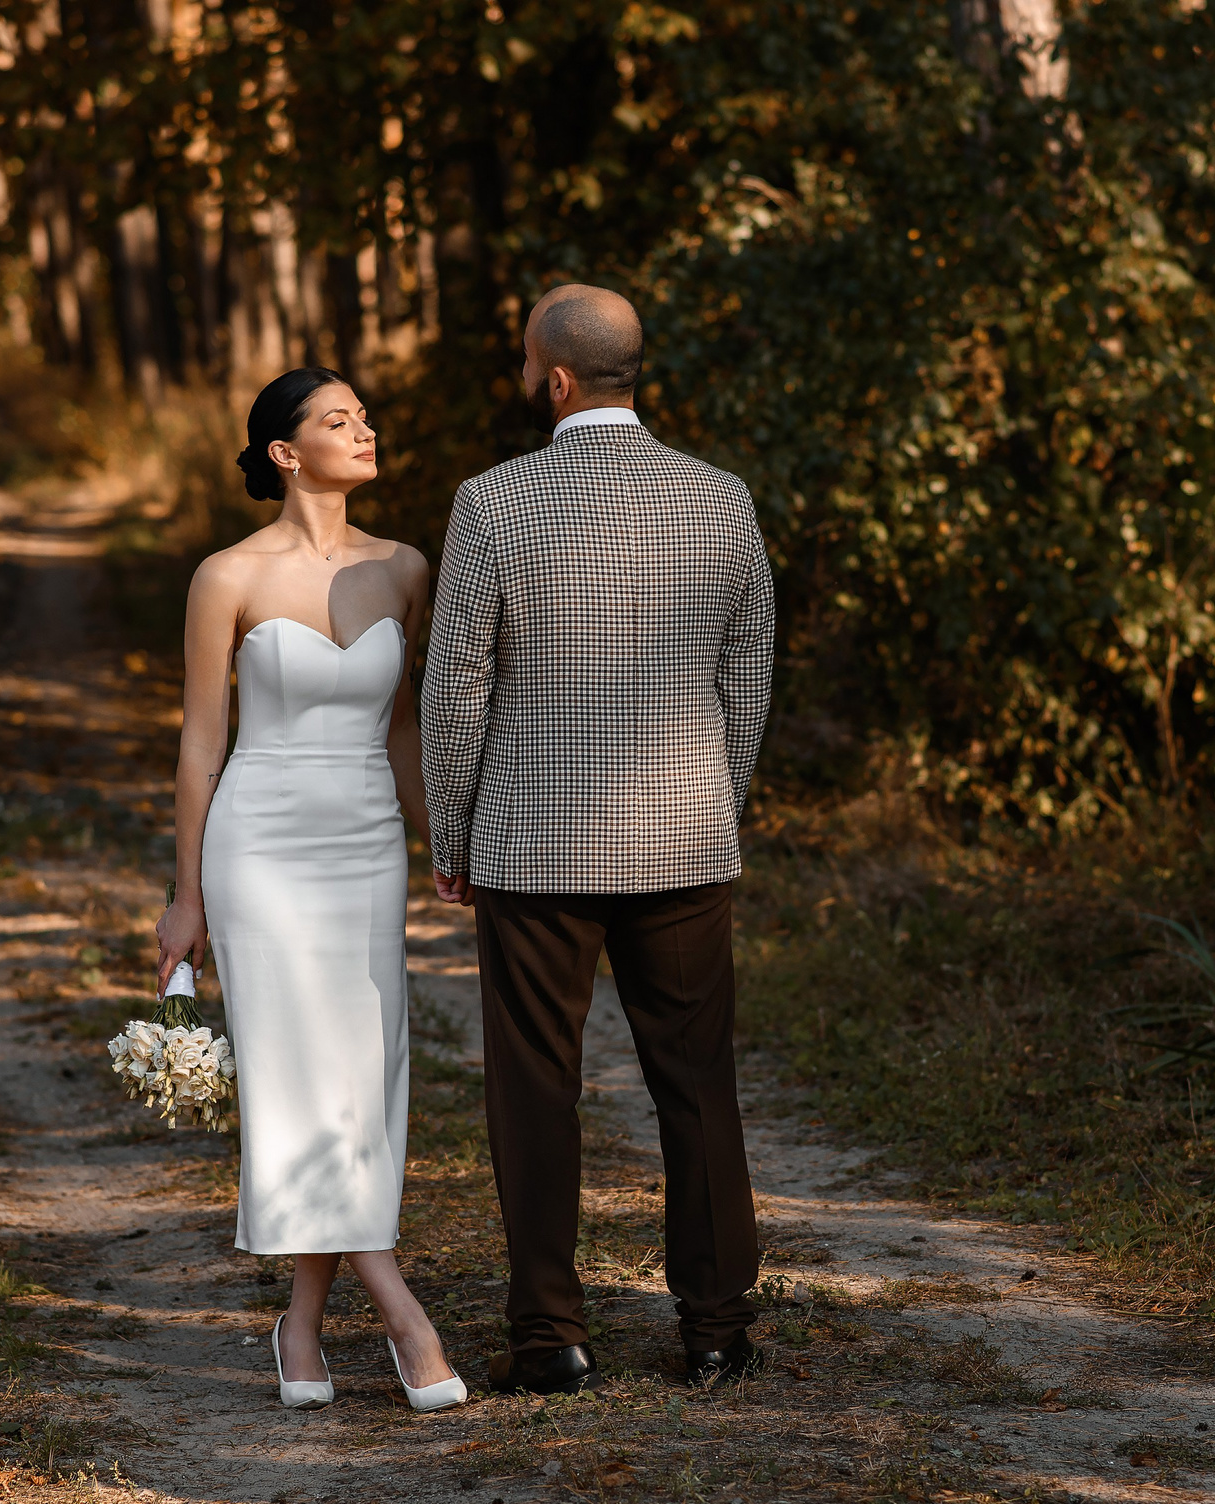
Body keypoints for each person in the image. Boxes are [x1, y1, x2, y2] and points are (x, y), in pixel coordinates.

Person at [421, 284, 777, 1395]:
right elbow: (750, 670)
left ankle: (551, 1337)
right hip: (681, 838)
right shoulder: (719, 499)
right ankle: (715, 1330)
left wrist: (453, 827)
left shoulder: (492, 505)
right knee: (696, 1085)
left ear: (558, 378)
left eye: (531, 365)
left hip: (534, 848)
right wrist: (716, 797)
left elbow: (457, 686)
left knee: (535, 1088)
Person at [155, 367, 465, 1413]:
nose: (365, 431)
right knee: (294, 1079)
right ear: (287, 453)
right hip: (260, 848)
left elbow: (407, 726)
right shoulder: (225, 577)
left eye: (366, 416)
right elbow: (201, 746)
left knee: (363, 1081)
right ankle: (401, 1310)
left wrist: (444, 842)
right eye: (339, 421)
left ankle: (298, 1325)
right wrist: (185, 896)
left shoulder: (408, 567)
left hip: (368, 843)